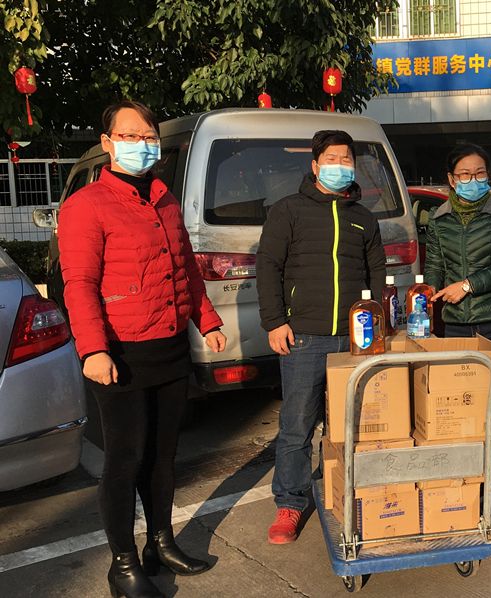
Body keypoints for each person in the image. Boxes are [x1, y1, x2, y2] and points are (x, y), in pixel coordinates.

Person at [58, 100, 227, 598]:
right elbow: (79, 284)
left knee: (162, 456)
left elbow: (185, 267)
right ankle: (124, 564)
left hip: (169, 347)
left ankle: (161, 543)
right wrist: (93, 349)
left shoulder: (164, 198)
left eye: (148, 136)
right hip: (120, 354)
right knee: (125, 459)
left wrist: (206, 320)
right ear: (107, 143)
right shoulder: (86, 205)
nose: (141, 144)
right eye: (129, 136)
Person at [256, 130, 386, 544]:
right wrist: (274, 321)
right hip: (304, 338)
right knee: (297, 426)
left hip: (355, 337)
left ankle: (347, 490)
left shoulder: (363, 217)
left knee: (351, 424)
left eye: (346, 159)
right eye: (331, 159)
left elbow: (376, 273)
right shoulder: (288, 211)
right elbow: (268, 266)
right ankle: (290, 503)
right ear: (315, 166)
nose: (339, 166)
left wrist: (378, 324)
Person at [424, 143, 491, 522]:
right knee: (459, 413)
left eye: (480, 173)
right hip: (456, 328)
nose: (473, 180)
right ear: (451, 179)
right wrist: (424, 295)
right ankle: (467, 489)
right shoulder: (438, 220)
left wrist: (467, 285)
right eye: (465, 174)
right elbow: (435, 267)